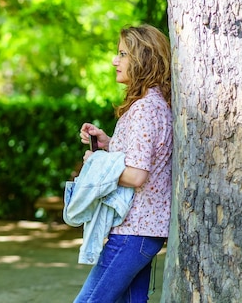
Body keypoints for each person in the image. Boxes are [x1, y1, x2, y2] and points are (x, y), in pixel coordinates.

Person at [74, 24, 173, 303]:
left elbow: (137, 175)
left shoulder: (144, 108)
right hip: (144, 231)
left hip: (134, 230)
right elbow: (147, 155)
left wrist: (98, 164)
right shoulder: (155, 102)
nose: (115, 61)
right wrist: (108, 144)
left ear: (143, 60)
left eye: (123, 54)